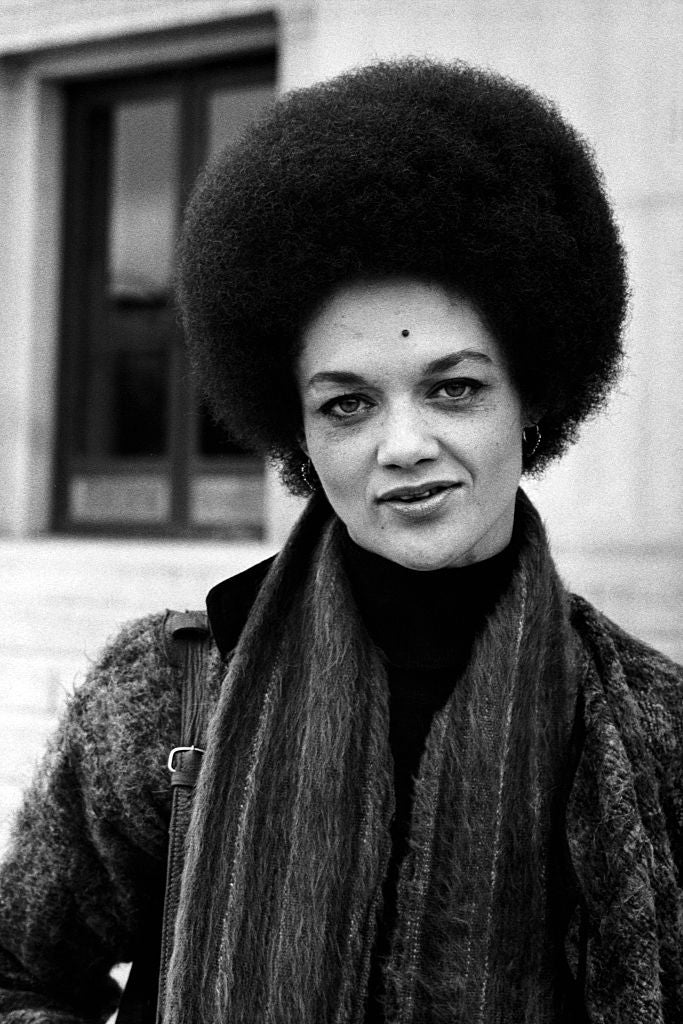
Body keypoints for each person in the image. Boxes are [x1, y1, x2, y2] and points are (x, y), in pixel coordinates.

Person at [0, 58, 681, 1024]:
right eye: (347, 403)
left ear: (530, 399)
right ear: (297, 432)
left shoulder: (648, 728)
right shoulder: (167, 694)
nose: (403, 446)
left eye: (454, 388)